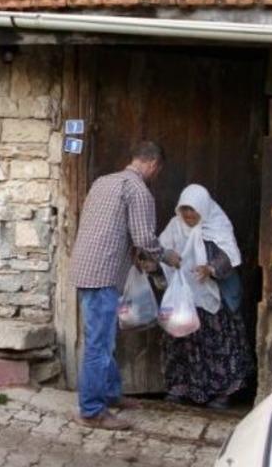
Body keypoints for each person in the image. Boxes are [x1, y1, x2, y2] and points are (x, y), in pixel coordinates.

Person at [70, 140, 180, 430]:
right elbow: (144, 238)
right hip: (104, 274)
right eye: (158, 170)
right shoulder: (138, 190)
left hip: (86, 268)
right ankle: (91, 411)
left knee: (104, 339)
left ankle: (109, 394)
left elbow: (109, 227)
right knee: (99, 344)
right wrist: (167, 256)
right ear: (154, 164)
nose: (156, 174)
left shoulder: (102, 182)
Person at [156, 184, 254, 409]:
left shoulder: (216, 225)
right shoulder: (174, 226)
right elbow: (161, 251)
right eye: (185, 210)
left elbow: (229, 255)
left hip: (213, 299)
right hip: (185, 299)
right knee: (181, 344)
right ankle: (180, 389)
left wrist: (210, 269)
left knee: (218, 345)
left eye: (193, 210)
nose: (189, 215)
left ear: (203, 208)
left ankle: (223, 393)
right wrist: (152, 261)